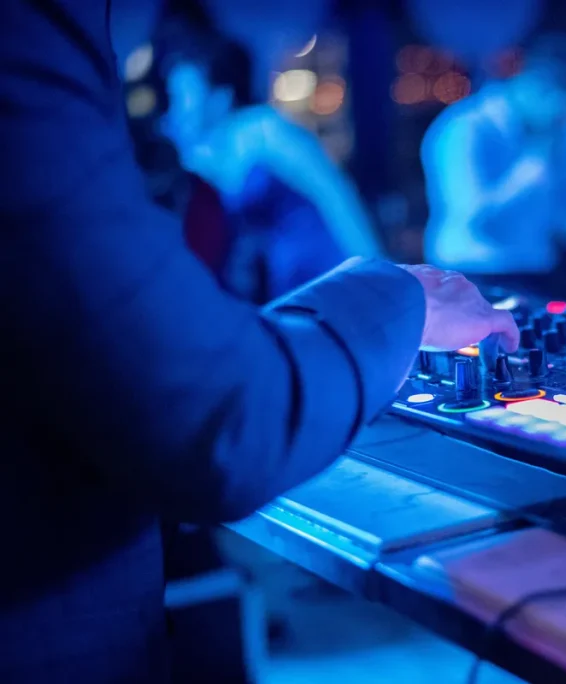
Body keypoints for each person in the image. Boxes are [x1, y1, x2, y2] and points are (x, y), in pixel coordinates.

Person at [0, 1, 518, 682]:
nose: (171, 103)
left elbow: (337, 199)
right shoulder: (199, 150)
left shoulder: (264, 130)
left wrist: (395, 285)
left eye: (181, 87)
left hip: (319, 278)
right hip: (286, 299)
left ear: (215, 87)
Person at [154, 1, 385, 304]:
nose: (177, 110)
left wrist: (376, 268)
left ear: (221, 96)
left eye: (185, 96)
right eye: (174, 97)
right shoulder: (203, 153)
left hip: (327, 261)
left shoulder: (264, 128)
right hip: (284, 278)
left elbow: (333, 192)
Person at [421, 31, 566, 301]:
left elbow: (559, 217)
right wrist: (532, 169)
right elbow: (474, 217)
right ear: (538, 86)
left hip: (537, 275)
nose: (564, 118)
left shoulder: (545, 133)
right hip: (474, 277)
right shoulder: (465, 128)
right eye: (563, 107)